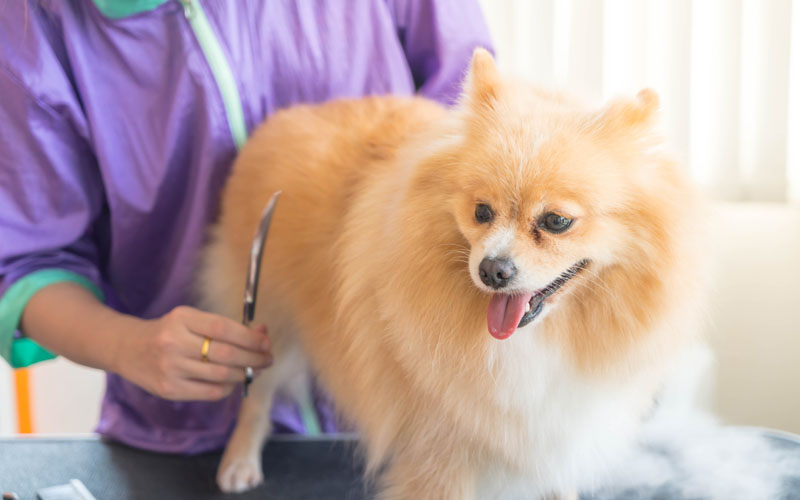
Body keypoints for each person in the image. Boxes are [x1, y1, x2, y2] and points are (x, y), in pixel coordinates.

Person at [0, 1, 493, 454]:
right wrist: (128, 347)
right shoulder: (32, 26)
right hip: (183, 436)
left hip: (401, 412)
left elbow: (472, 128)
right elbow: (29, 260)